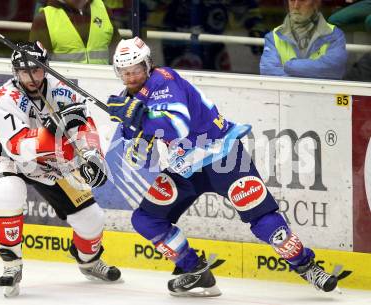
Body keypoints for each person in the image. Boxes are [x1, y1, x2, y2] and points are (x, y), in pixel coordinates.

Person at [107, 37, 339, 297]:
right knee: (146, 219)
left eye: (136, 69)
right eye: (124, 72)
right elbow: (136, 157)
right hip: (185, 168)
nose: (131, 77)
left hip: (222, 156)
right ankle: (195, 271)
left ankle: (306, 265)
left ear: (148, 65)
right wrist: (131, 128)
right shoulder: (125, 101)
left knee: (264, 221)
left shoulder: (164, 79)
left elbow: (178, 126)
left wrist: (138, 118)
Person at [0, 41, 121, 297]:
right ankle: (12, 265)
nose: (31, 78)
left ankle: (88, 261)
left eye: (37, 69)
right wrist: (52, 133)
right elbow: (18, 146)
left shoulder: (65, 90)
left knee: (92, 220)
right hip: (6, 156)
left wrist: (92, 156)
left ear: (46, 68)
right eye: (24, 72)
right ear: (15, 73)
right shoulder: (4, 98)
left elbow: (84, 127)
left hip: (49, 162)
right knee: (6, 192)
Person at [260, 0, 348, 79]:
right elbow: (268, 73)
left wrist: (290, 66)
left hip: (321, 95)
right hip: (287, 95)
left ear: (316, 3)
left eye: (302, 0)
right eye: (292, 0)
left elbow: (334, 69)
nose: (295, 6)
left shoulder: (334, 34)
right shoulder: (274, 36)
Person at [29, 0, 121, 64]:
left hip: (103, 85)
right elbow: (37, 64)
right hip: (64, 88)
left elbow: (118, 53)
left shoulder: (103, 9)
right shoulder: (43, 18)